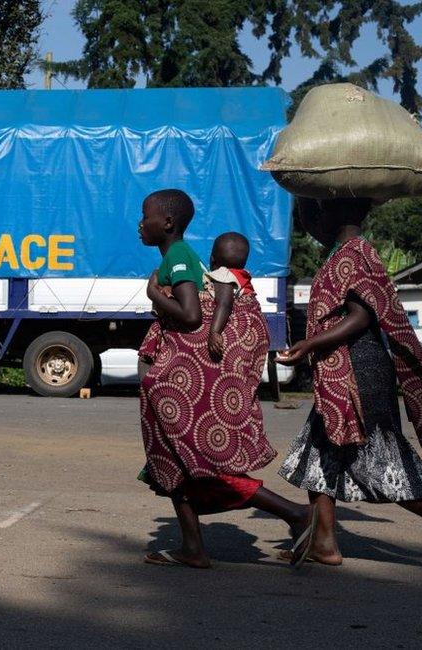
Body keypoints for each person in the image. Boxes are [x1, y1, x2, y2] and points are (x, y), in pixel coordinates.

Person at [276, 197, 422, 575]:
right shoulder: (341, 253)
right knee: (318, 452)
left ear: (332, 215)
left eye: (314, 215)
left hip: (359, 373)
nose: (310, 224)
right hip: (341, 373)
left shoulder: (358, 253)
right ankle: (324, 543)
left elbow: (362, 315)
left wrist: (310, 344)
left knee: (376, 461)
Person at [137, 191, 313, 569]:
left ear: (167, 223)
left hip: (183, 383)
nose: (140, 223)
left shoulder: (179, 257)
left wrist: (154, 294)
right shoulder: (176, 257)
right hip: (177, 381)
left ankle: (297, 514)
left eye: (145, 215)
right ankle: (193, 547)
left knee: (201, 465)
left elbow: (190, 316)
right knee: (172, 465)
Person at [203, 232, 255, 359]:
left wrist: (214, 332)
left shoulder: (223, 275)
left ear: (212, 259)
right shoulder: (243, 276)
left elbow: (224, 303)